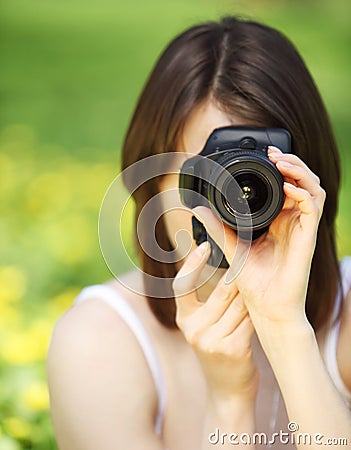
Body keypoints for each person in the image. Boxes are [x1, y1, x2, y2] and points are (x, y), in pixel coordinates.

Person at [47, 16, 351, 449]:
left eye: (255, 178)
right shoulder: (99, 345)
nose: (234, 204)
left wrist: (285, 329)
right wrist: (230, 402)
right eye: (206, 174)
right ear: (152, 184)